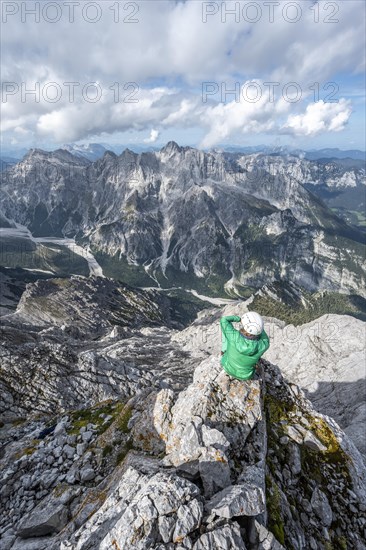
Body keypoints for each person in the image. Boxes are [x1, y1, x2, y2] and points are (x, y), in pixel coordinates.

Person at [220, 311, 270, 380]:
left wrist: (238, 319)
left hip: (227, 367)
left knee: (226, 333)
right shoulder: (264, 344)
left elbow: (224, 320)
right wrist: (258, 327)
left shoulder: (233, 336)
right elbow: (263, 335)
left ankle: (223, 350)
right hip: (246, 375)